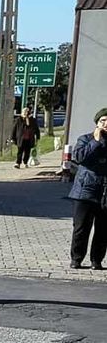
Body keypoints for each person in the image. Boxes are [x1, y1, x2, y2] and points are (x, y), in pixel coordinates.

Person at [68, 107, 107, 270]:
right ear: (97, 123)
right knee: (81, 227)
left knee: (103, 229)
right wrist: (96, 142)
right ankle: (76, 259)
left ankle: (96, 260)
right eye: (102, 121)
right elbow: (80, 158)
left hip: (105, 191)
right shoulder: (85, 139)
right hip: (86, 191)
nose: (106, 123)